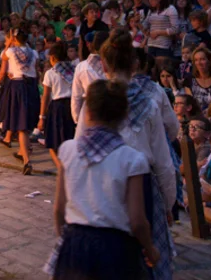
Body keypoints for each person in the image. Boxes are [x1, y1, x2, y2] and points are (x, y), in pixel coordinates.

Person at [52, 80, 158, 279]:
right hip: (115, 248)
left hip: (75, 244)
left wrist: (65, 241)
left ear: (87, 112)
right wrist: (150, 249)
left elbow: (59, 209)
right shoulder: (133, 159)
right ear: (124, 115)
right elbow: (137, 221)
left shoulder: (68, 150)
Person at [99, 30, 177, 280]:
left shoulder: (95, 102)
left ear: (104, 65)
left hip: (103, 184)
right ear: (134, 64)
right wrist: (168, 203)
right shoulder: (150, 102)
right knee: (142, 259)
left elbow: (81, 150)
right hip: (142, 186)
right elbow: (164, 163)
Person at [0, 25, 40, 175]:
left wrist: (8, 44)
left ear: (14, 38)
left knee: (21, 124)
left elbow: (2, 62)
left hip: (18, 86)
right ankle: (23, 150)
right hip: (31, 86)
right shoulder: (34, 53)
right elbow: (36, 72)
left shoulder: (10, 51)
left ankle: (26, 161)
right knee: (26, 122)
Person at [39, 40, 76, 167]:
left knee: (53, 143)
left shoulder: (50, 73)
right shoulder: (74, 70)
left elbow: (45, 97)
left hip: (57, 108)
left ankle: (62, 169)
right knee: (70, 139)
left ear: (53, 58)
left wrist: (42, 117)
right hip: (72, 106)